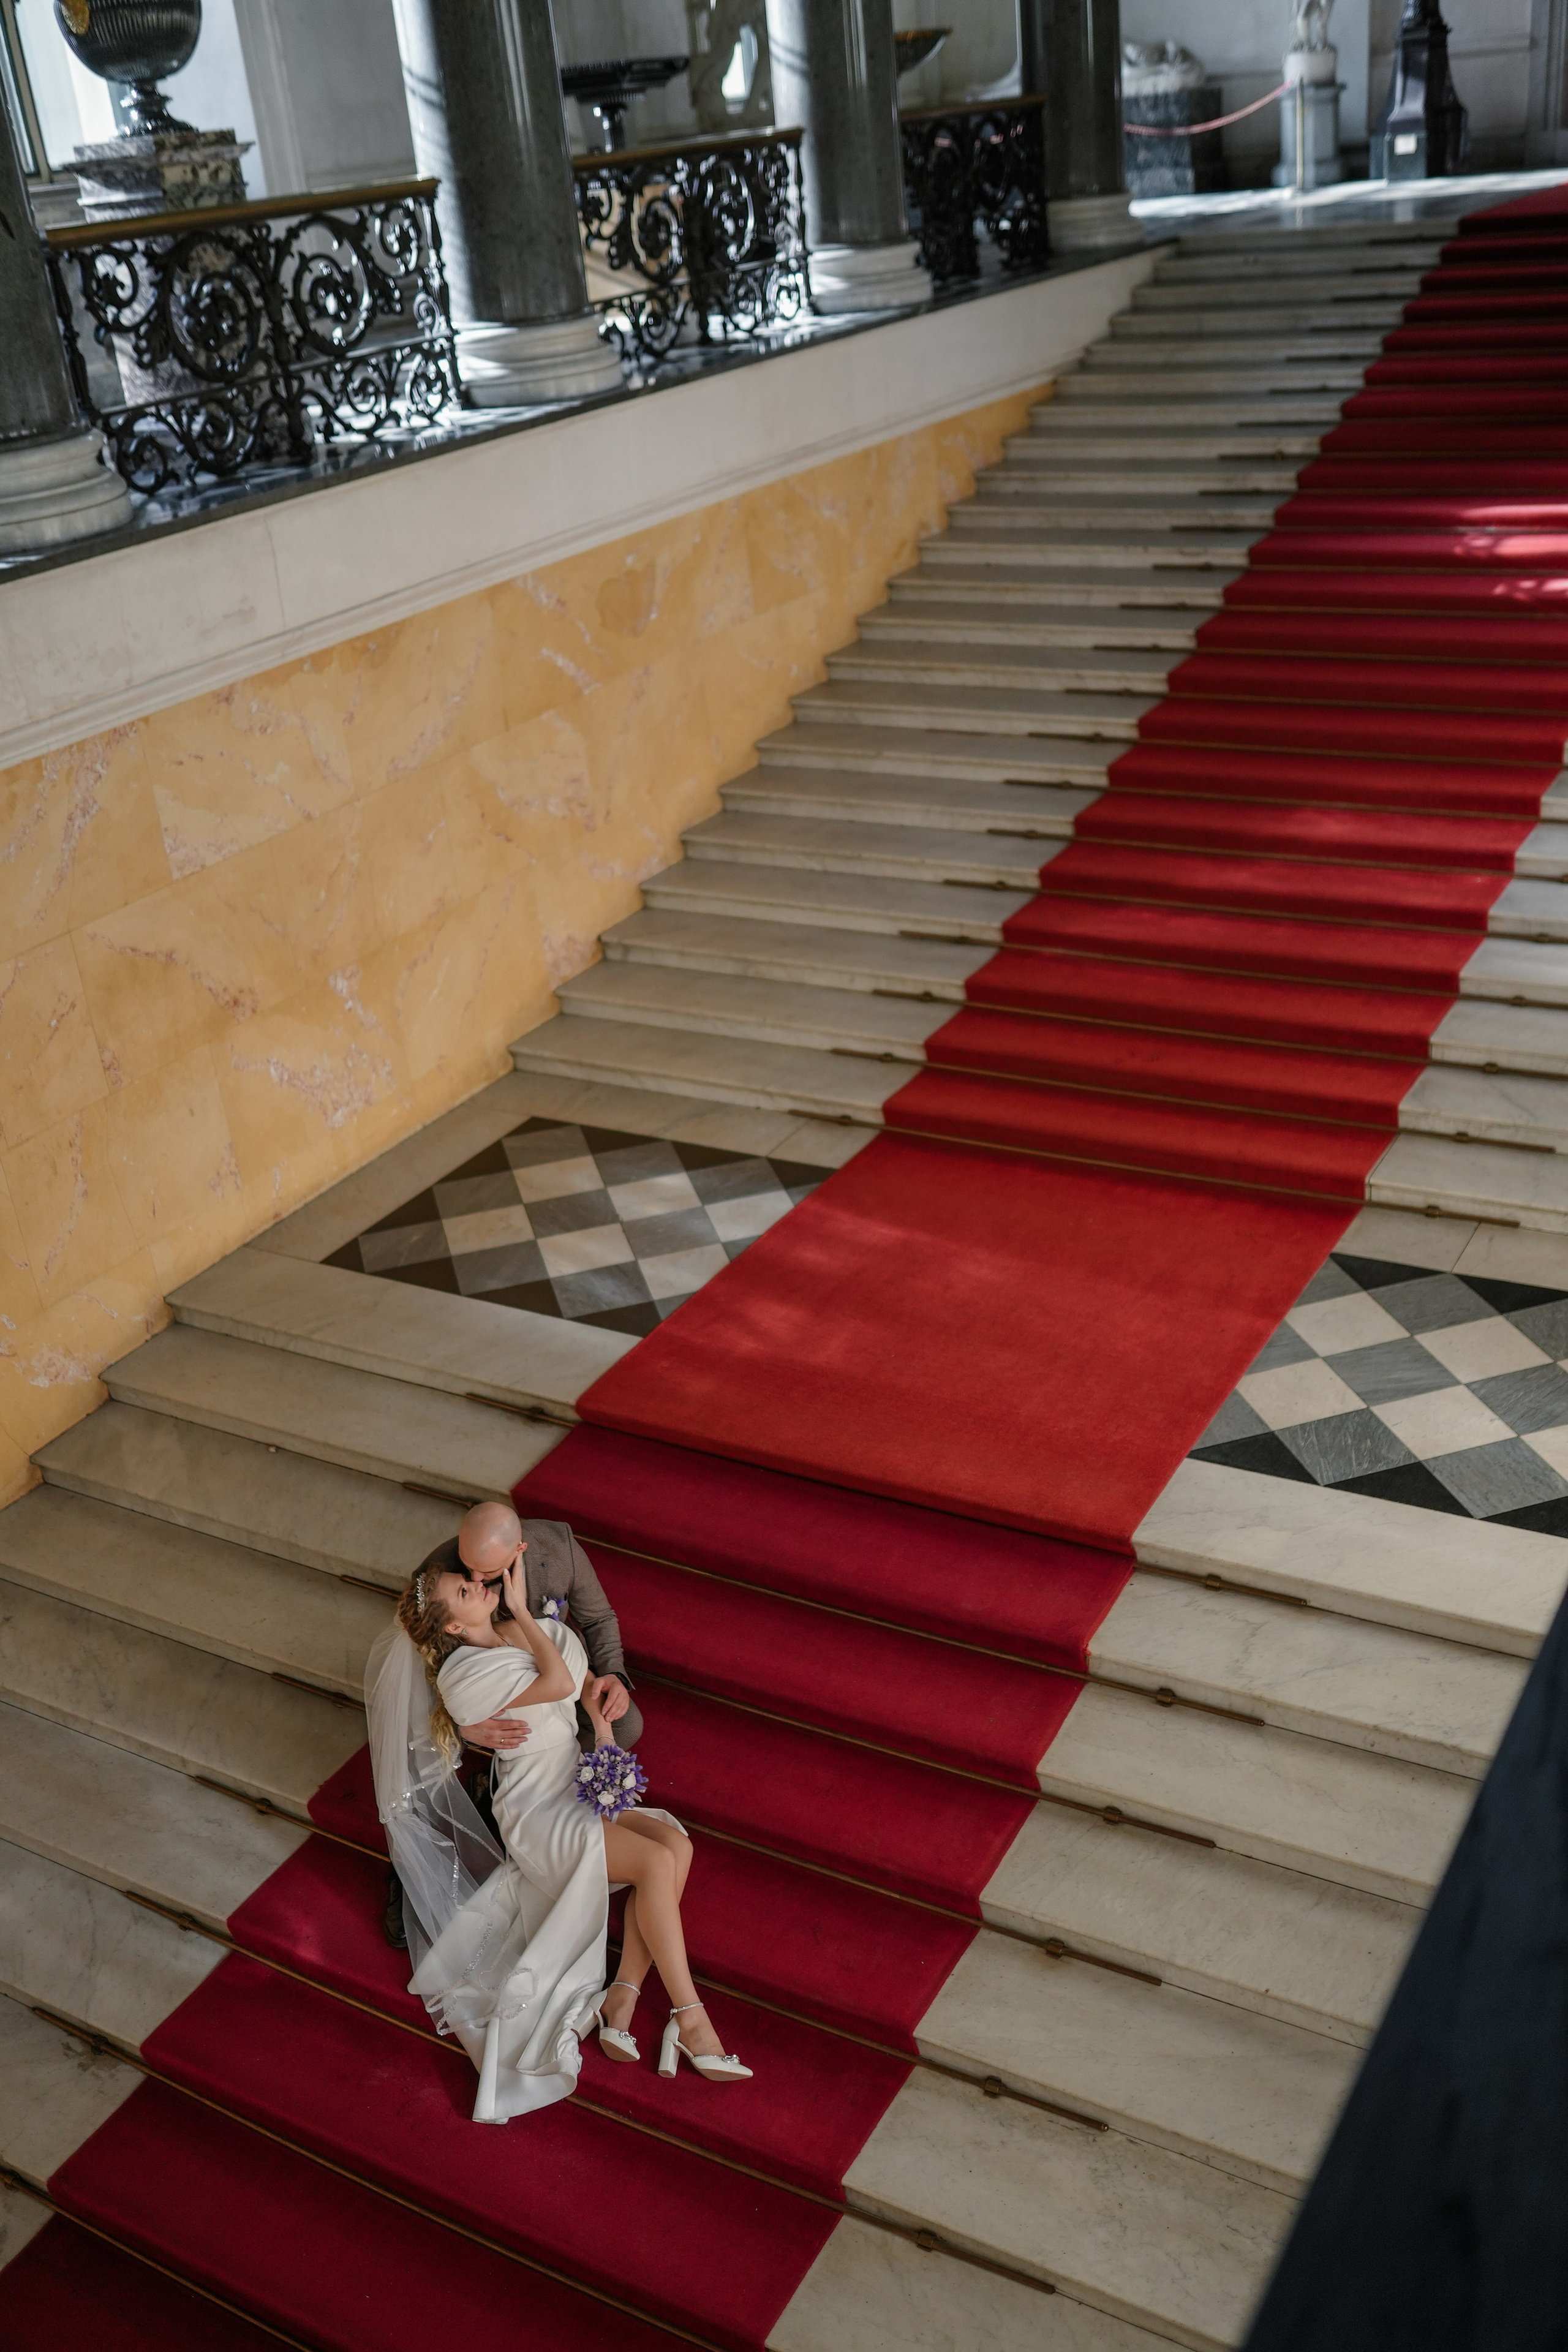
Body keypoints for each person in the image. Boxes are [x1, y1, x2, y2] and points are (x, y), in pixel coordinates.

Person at [366, 1542, 752, 2124]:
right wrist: (522, 1609)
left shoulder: (507, 1636)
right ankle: (689, 2015)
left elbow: (570, 1690)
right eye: (466, 1591)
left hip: (570, 1776)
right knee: (654, 1866)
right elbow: (554, 1679)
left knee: (677, 1846)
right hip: (537, 1810)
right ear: (451, 1624)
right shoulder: (461, 1675)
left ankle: (621, 1997)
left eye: (473, 1581)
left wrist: (600, 1717)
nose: (479, 1585)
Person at [382, 1499, 642, 1948]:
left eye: (487, 1572)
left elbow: (598, 1618)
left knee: (626, 1724)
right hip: (489, 1690)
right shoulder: (442, 1577)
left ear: (520, 1548)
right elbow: (430, 1667)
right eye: (469, 1572)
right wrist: (461, 1726)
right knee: (441, 1762)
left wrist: (613, 1677)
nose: (476, 1581)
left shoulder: (558, 1547)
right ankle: (429, 1867)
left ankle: (564, 1797)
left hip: (558, 1672)